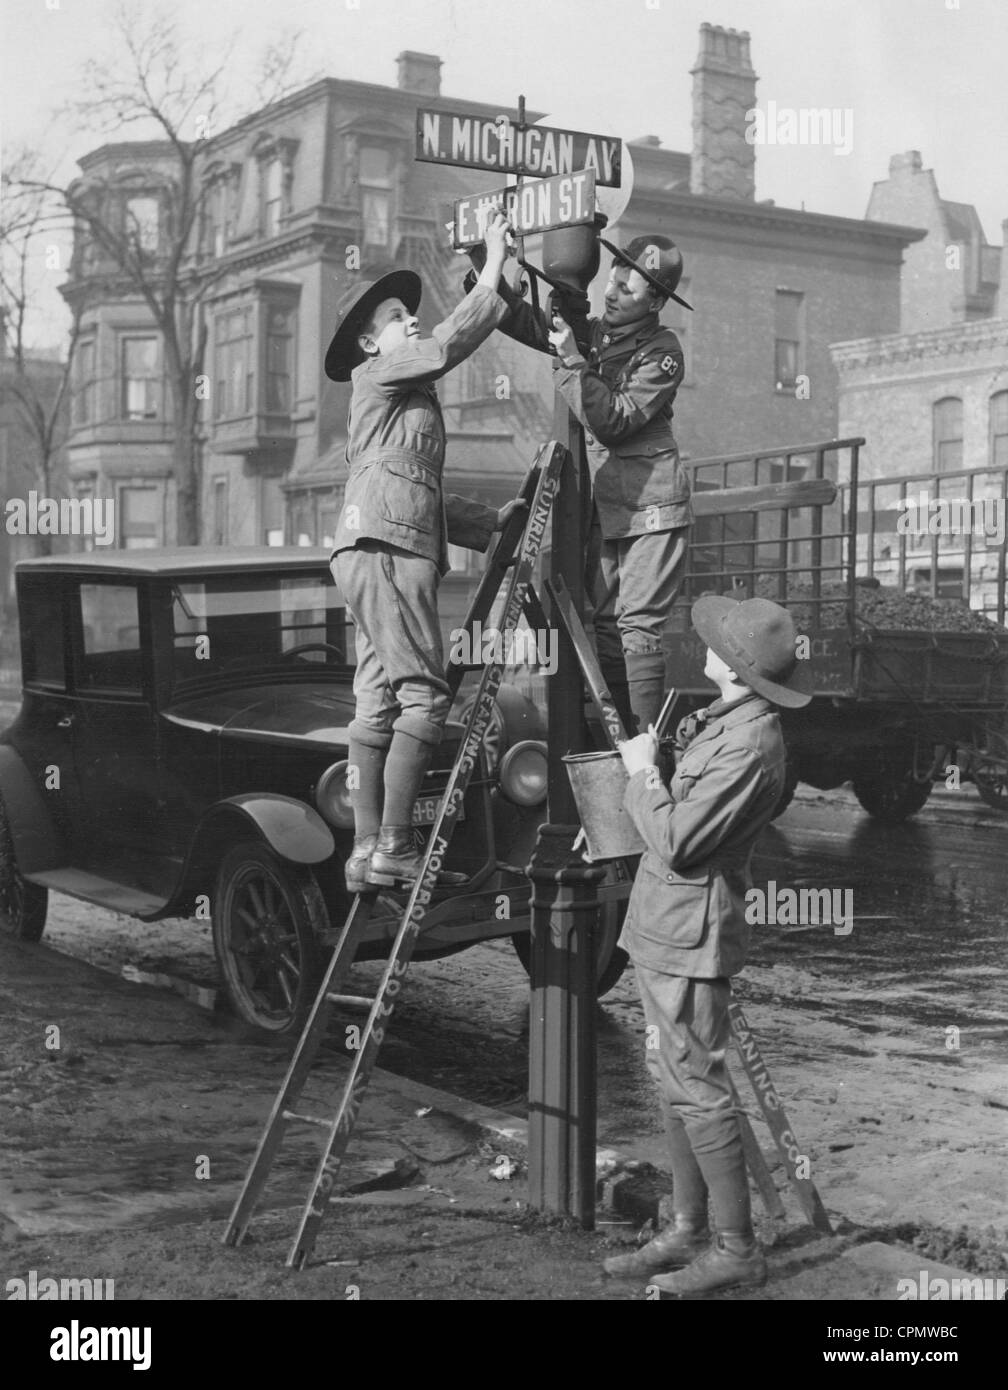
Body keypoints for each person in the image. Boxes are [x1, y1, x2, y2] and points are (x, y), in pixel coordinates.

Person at [606, 595, 812, 1295]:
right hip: (665, 925)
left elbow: (678, 840)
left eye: (719, 641)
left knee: (698, 1086)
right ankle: (691, 1229)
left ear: (739, 668)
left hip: (692, 932)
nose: (707, 644)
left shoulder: (751, 745)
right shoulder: (727, 723)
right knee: (676, 1079)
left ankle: (735, 1248)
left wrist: (641, 774)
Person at [326, 211, 524, 893]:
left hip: (370, 543)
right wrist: (495, 261)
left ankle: (363, 853)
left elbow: (414, 489)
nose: (408, 322)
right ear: (366, 341)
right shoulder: (382, 371)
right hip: (387, 549)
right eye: (392, 317)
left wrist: (489, 523)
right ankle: (396, 845)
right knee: (425, 697)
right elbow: (447, 344)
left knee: (377, 702)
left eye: (409, 314)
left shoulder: (393, 401)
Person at [466, 233, 693, 734]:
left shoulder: (663, 352)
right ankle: (625, 746)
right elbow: (525, 323)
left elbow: (615, 420)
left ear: (654, 301)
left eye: (626, 291)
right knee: (611, 632)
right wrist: (485, 262)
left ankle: (645, 753)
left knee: (636, 631)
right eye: (612, 281)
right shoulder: (600, 336)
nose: (611, 293)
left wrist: (572, 360)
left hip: (652, 508)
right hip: (610, 507)